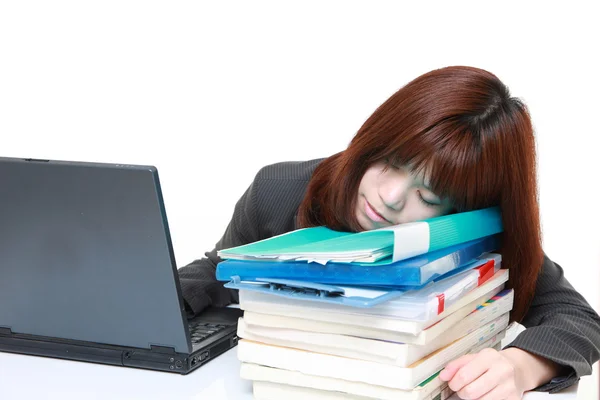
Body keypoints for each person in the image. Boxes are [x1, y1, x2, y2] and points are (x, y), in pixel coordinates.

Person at [178, 66, 600, 399]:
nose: (392, 196)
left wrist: (520, 366)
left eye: (429, 195)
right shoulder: (278, 191)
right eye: (391, 161)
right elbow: (220, 272)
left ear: (462, 212)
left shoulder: (478, 238)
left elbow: (578, 318)